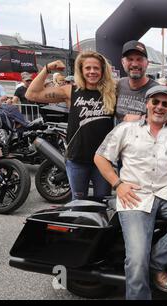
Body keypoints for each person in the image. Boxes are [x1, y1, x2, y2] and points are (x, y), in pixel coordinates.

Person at [94, 85, 167, 300]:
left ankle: (155, 263)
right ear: (147, 104)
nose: (160, 107)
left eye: (165, 104)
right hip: (135, 197)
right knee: (136, 259)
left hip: (166, 193)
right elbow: (100, 157)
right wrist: (118, 184)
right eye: (155, 102)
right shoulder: (126, 129)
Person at [25, 51, 116, 200]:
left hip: (103, 160)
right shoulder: (71, 91)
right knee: (78, 203)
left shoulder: (112, 92)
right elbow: (31, 95)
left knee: (103, 203)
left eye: (96, 68)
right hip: (77, 159)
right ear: (81, 70)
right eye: (88, 68)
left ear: (102, 71)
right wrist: (47, 68)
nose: (92, 72)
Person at [116, 40, 167, 128]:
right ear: (123, 63)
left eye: (139, 59)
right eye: (130, 59)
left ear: (147, 63)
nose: (134, 64)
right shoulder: (118, 85)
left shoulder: (158, 90)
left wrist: (142, 118)